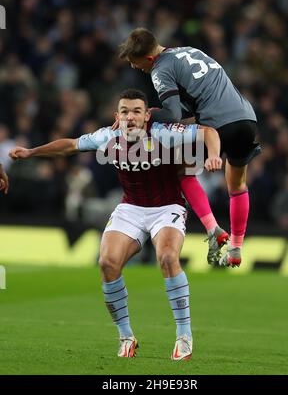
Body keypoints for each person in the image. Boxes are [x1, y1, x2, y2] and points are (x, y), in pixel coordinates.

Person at [10, 88, 222, 360]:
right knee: (107, 263)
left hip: (167, 206)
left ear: (147, 115)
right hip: (131, 207)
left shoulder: (164, 132)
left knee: (168, 257)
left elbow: (208, 132)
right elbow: (71, 145)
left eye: (136, 111)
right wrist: (31, 152)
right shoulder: (107, 136)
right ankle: (126, 336)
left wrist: (214, 154)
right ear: (116, 116)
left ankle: (184, 336)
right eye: (125, 112)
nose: (130, 117)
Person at [119, 29, 262, 267]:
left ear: (149, 58)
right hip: (247, 120)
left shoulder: (160, 69)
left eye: (136, 63)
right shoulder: (188, 51)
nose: (135, 68)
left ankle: (213, 229)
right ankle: (236, 247)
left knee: (181, 171)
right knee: (237, 183)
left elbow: (173, 115)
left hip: (217, 126)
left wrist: (147, 114)